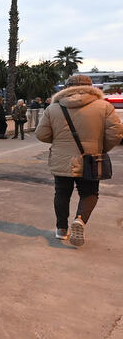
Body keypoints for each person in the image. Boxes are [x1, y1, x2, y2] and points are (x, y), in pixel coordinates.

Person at [35, 74, 123, 246]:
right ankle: (80, 220)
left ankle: (61, 229)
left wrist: (59, 141)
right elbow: (116, 134)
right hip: (91, 159)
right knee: (90, 192)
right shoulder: (104, 107)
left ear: (67, 88)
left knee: (61, 192)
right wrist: (101, 148)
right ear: (91, 86)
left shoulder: (53, 108)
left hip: (62, 159)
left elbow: (41, 134)